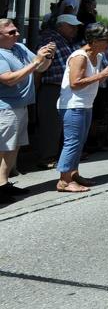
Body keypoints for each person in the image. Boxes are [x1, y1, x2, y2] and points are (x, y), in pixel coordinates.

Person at [56, 23, 108, 192]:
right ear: (94, 40)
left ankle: (74, 174)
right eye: (107, 40)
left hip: (86, 104)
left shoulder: (98, 56)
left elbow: (93, 81)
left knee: (80, 142)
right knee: (72, 143)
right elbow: (75, 83)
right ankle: (64, 181)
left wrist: (105, 75)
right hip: (73, 105)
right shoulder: (80, 56)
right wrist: (103, 75)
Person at [0, 19, 54, 200]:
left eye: (16, 30)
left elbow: (41, 67)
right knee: (3, 148)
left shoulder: (19, 48)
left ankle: (4, 184)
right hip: (6, 108)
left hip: (20, 106)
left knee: (12, 148)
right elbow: (9, 79)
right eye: (11, 32)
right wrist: (36, 62)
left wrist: (47, 57)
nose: (17, 34)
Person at [33, 15, 81, 167]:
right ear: (60, 26)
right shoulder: (50, 40)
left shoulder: (64, 40)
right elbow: (39, 67)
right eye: (71, 26)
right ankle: (47, 157)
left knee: (59, 124)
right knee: (51, 124)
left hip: (61, 88)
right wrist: (34, 89)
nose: (75, 29)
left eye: (75, 26)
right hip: (51, 87)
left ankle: (55, 155)